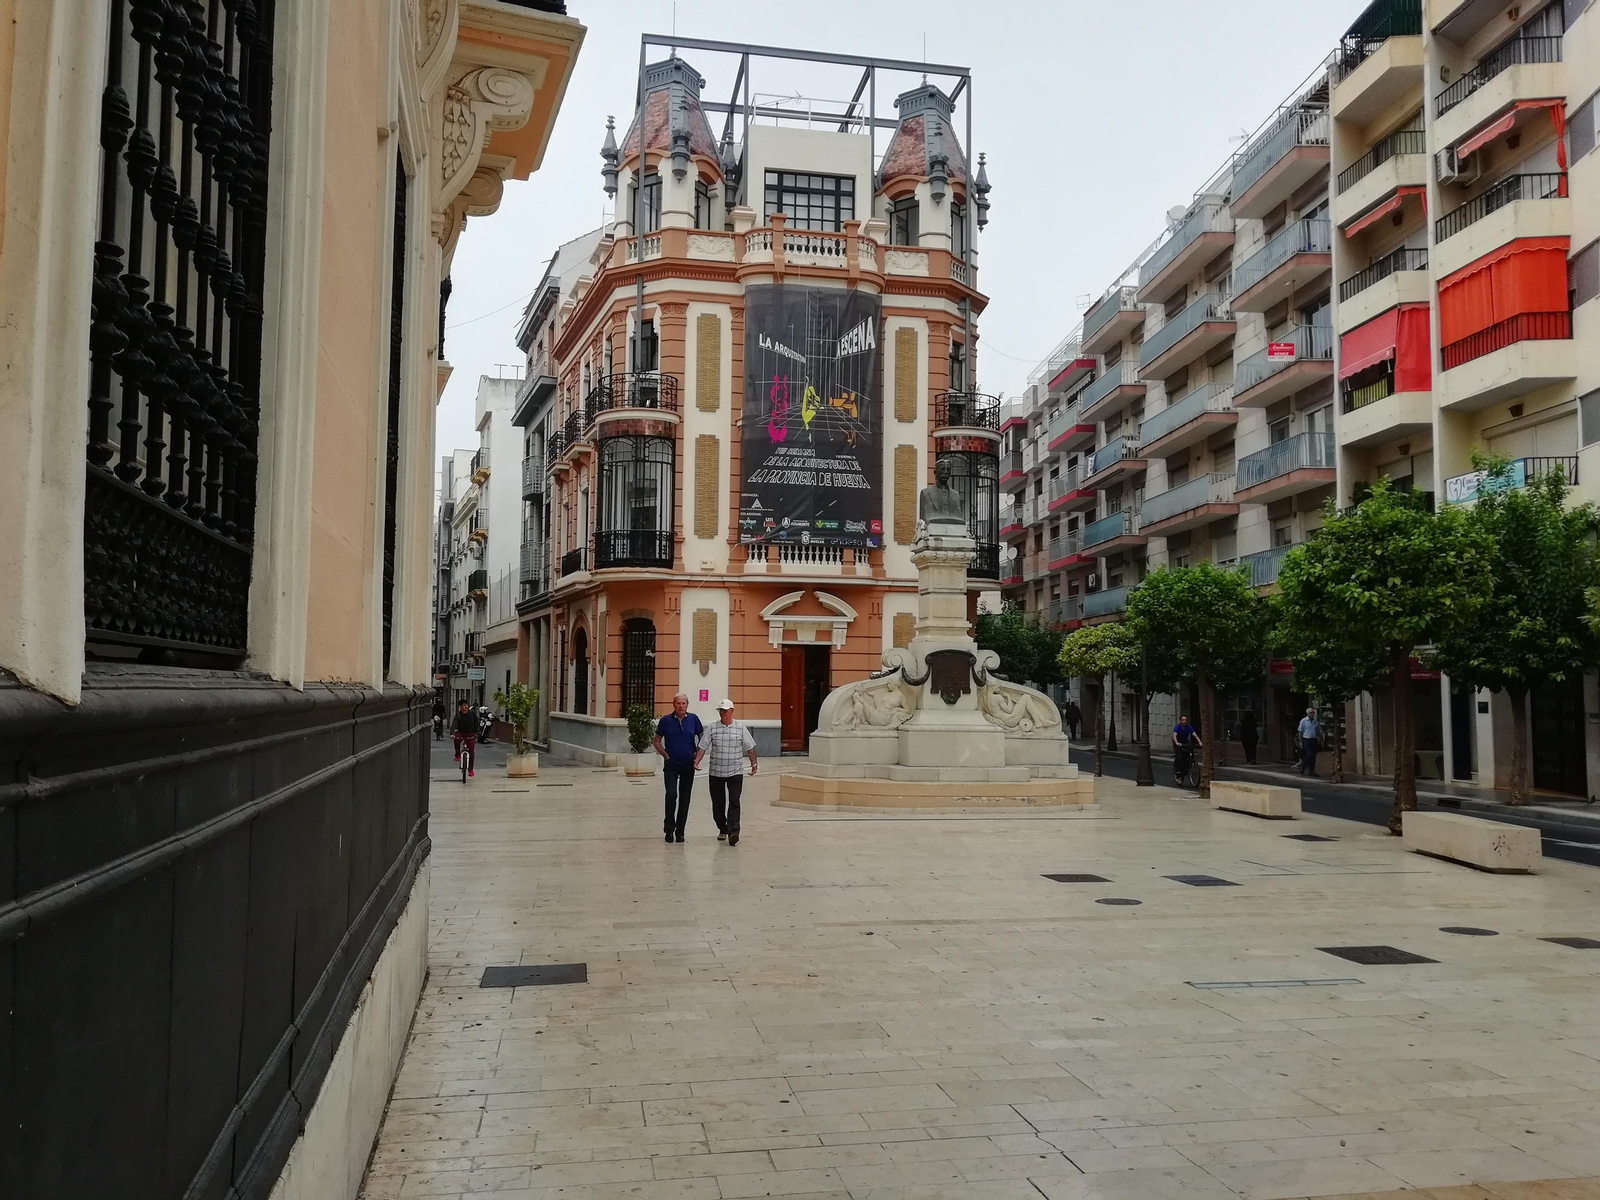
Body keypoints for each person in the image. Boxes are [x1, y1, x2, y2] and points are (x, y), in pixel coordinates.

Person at [695, 699, 758, 846]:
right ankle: (722, 828)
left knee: (734, 802)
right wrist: (697, 761)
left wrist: (753, 763)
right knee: (718, 803)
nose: (723, 713)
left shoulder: (741, 728)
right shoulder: (712, 728)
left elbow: (750, 748)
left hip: (735, 771)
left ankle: (733, 832)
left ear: (732, 711)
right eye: (721, 711)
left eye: (725, 710)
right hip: (716, 771)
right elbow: (703, 747)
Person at [653, 692, 704, 843]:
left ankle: (680, 831)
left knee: (685, 798)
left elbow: (703, 738)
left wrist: (698, 755)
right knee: (671, 795)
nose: (681, 706)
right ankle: (669, 829)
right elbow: (656, 741)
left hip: (688, 763)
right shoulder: (666, 721)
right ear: (673, 705)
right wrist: (665, 755)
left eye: (683, 703)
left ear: (687, 705)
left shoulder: (693, 719)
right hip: (671, 764)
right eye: (678, 703)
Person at [450, 700, 478, 776]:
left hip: (470, 732)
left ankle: (471, 769)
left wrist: (476, 732)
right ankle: (457, 755)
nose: (465, 707)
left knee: (471, 751)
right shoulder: (458, 715)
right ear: (460, 707)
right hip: (461, 732)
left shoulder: (472, 713)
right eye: (463, 705)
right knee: (457, 740)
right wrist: (452, 734)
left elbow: (476, 722)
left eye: (466, 705)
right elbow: (454, 724)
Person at [1172, 714, 1201, 782]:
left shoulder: (1189, 727)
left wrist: (1200, 742)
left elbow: (1195, 735)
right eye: (1183, 720)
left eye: (1185, 720)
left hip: (1185, 742)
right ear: (1181, 720)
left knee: (1191, 750)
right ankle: (1178, 773)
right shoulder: (1178, 727)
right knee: (1180, 757)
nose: (1184, 721)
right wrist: (1176, 743)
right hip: (1178, 743)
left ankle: (1189, 763)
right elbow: (1174, 735)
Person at [1298, 707, 1320, 777]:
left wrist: (1320, 740)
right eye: (1311, 713)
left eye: (1313, 712)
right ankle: (1303, 767)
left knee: (1313, 756)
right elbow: (1300, 731)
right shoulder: (1303, 721)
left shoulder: (1316, 722)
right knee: (1309, 754)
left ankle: (1312, 771)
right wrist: (1300, 741)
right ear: (1307, 713)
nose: (1312, 714)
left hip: (1313, 740)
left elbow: (1318, 732)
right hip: (1306, 739)